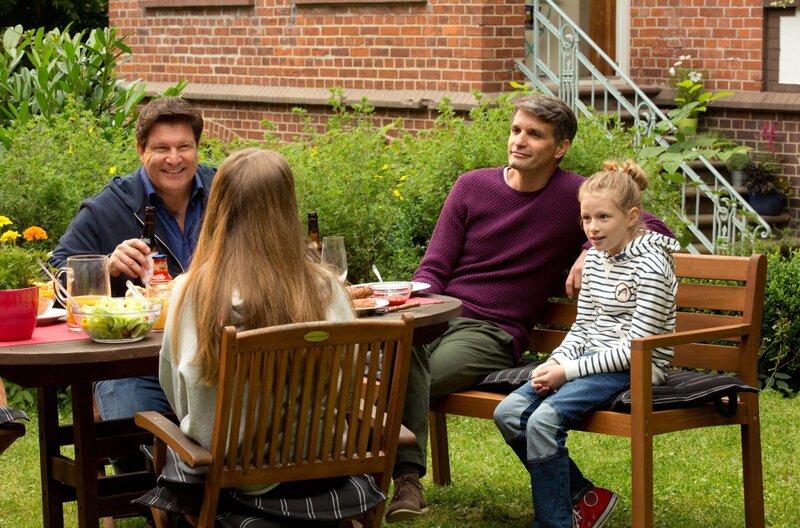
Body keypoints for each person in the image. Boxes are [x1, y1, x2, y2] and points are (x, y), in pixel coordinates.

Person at [384, 94, 675, 522]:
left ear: (560, 148)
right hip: (438, 316)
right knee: (393, 353)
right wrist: (415, 308)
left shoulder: (573, 196)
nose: (519, 141)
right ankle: (385, 481)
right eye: (516, 130)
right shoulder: (471, 186)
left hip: (492, 331)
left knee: (390, 382)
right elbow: (435, 265)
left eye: (534, 134)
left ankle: (403, 481)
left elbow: (650, 226)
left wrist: (583, 251)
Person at [151, 148, 383, 522]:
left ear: (220, 208)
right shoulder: (326, 287)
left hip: (230, 481)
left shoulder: (194, 292)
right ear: (286, 207)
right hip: (323, 474)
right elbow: (350, 377)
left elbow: (177, 390)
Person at [493, 160, 680, 528]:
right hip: (590, 361)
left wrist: (567, 372)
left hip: (637, 367)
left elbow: (634, 349)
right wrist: (556, 361)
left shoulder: (654, 266)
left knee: (544, 419)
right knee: (509, 414)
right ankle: (583, 498)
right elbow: (583, 326)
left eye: (603, 218)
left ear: (631, 217)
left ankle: (554, 523)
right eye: (586, 219)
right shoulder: (595, 258)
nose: (593, 229)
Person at [49, 96, 216, 471]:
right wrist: (106, 265)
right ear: (141, 150)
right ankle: (156, 500)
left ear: (197, 148)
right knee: (129, 432)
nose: (174, 158)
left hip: (215, 357)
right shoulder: (108, 206)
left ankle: (223, 495)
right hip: (136, 365)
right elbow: (57, 273)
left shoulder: (225, 193)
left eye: (183, 147)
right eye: (161, 148)